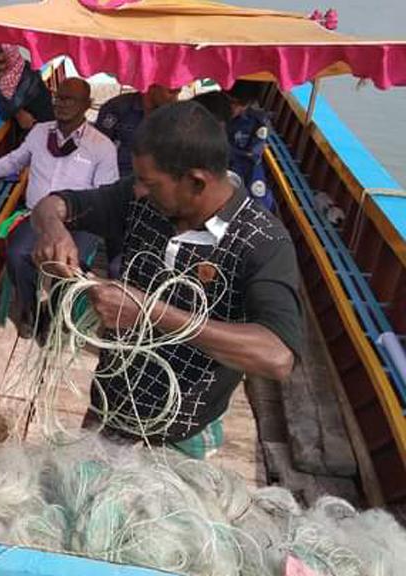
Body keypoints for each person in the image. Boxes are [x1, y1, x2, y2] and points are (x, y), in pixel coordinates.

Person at [31, 101, 301, 458]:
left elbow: (278, 356)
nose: (139, 190)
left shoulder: (263, 242)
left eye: (149, 182)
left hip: (184, 430)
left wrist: (148, 313)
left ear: (196, 181)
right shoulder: (139, 200)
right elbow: (52, 205)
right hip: (111, 406)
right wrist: (53, 228)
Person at [0, 77, 117, 336]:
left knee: (69, 263)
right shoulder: (39, 131)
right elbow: (12, 162)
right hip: (38, 216)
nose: (61, 103)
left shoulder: (101, 147)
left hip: (80, 221)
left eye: (69, 99)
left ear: (87, 105)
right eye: (58, 97)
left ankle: (55, 311)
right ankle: (29, 311)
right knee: (17, 254)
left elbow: (104, 196)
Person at [95, 84, 180, 178]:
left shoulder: (172, 115)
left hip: (155, 181)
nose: (175, 99)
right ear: (153, 87)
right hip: (117, 178)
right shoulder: (117, 108)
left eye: (178, 92)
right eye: (171, 92)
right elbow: (97, 149)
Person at [225, 80, 275, 211]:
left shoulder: (257, 123)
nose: (233, 108)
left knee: (260, 202)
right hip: (217, 166)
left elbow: (253, 155)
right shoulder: (217, 111)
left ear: (248, 103)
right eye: (230, 102)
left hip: (245, 169)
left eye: (239, 104)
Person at [0, 45, 54, 137]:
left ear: (11, 60)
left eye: (1, 62)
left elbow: (5, 111)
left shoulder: (27, 77)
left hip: (44, 134)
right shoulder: (9, 77)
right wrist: (18, 112)